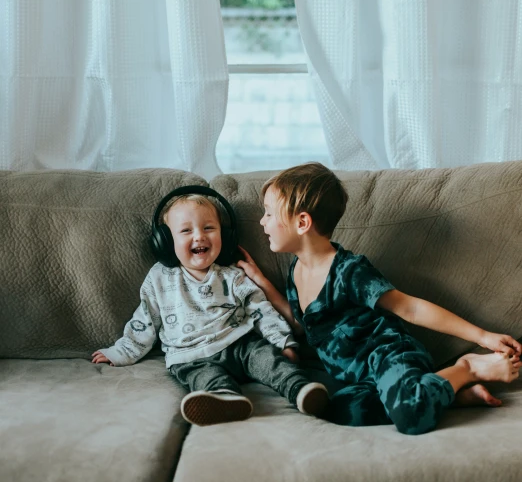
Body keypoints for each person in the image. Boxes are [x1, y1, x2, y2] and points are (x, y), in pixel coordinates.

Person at [237, 163, 522, 435]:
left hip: (388, 355)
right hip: (361, 378)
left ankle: (466, 369)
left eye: (269, 214)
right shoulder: (295, 271)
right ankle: (445, 394)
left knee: (410, 417)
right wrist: (260, 281)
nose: (262, 222)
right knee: (338, 410)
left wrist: (482, 336)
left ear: (302, 222)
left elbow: (409, 307)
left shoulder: (349, 271)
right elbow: (300, 327)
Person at [92, 186, 329, 427]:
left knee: (268, 359)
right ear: (165, 242)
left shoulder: (232, 275)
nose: (199, 236)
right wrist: (121, 351)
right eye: (186, 231)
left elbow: (261, 309)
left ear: (224, 238)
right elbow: (145, 318)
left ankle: (300, 389)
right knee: (204, 377)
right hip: (190, 355)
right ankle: (225, 400)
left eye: (208, 228)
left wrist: (283, 342)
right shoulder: (159, 278)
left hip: (239, 344)